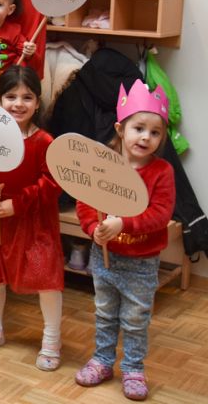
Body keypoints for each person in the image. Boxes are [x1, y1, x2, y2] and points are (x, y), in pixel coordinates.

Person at [75, 79, 175, 401]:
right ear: (121, 128)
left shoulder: (162, 172)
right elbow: (85, 200)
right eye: (139, 128)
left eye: (155, 132)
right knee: (104, 313)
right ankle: (103, 360)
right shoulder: (103, 163)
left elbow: (161, 214)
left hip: (142, 261)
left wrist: (124, 223)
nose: (146, 137)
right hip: (104, 256)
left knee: (134, 319)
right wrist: (93, 228)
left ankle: (133, 368)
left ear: (162, 138)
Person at [0, 66, 64, 371]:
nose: (18, 104)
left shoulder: (46, 141)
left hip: (34, 222)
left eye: (27, 97)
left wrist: (17, 203)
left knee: (46, 278)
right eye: (11, 96)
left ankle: (51, 338)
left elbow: (52, 184)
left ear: (38, 102)